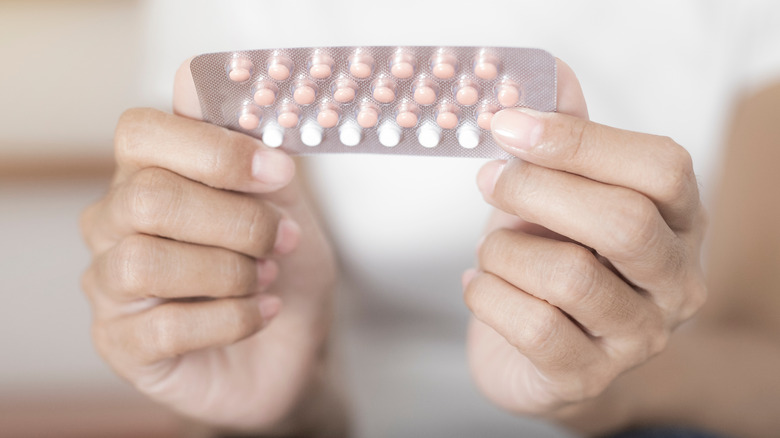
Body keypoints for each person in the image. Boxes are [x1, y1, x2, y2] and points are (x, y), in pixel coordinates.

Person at [80, 1, 780, 437]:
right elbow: (238, 347)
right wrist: (283, 404)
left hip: (653, 417)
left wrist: (594, 386)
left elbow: (764, 365)